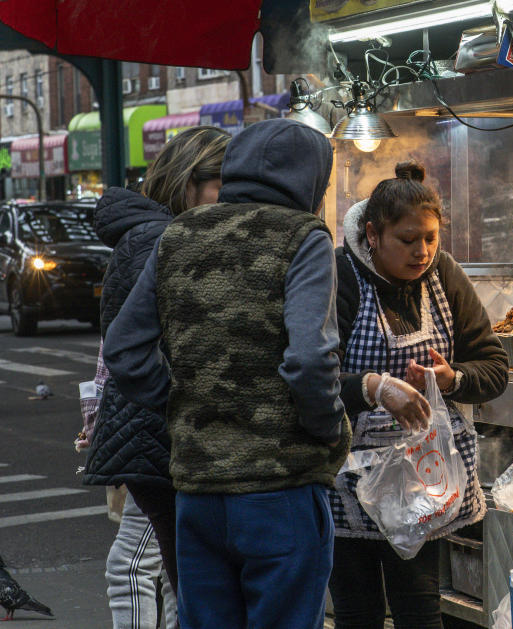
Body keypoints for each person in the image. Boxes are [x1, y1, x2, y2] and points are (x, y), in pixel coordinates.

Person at [102, 118, 349, 629]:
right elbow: (309, 359)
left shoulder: (180, 233)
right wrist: (330, 431)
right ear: (313, 181)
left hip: (198, 493)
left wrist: (181, 400)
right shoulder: (303, 237)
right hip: (280, 489)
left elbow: (124, 350)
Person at [329, 161, 508, 629]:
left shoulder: (443, 275)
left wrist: (453, 380)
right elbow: (310, 378)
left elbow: (494, 367)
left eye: (430, 237)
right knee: (357, 613)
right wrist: (374, 388)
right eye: (407, 240)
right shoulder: (339, 276)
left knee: (420, 610)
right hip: (349, 483)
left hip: (425, 481)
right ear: (372, 233)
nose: (422, 251)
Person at [78, 125, 230, 629]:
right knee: (179, 575)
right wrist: (188, 401)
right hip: (161, 440)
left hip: (154, 436)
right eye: (220, 185)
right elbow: (130, 350)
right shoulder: (157, 239)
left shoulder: (155, 234)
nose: (229, 199)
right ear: (189, 183)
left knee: (181, 575)